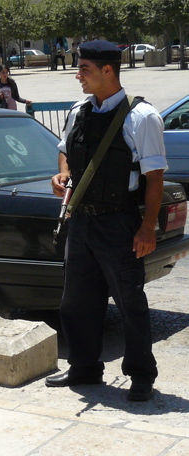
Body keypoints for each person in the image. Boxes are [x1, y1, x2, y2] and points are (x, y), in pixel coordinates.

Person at [45, 41, 167, 402]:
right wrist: (62, 175)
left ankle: (141, 375)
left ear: (107, 71)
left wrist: (147, 228)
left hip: (119, 222)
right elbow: (65, 149)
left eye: (83, 68)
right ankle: (84, 367)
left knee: (130, 301)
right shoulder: (79, 110)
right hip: (81, 221)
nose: (77, 74)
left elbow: (155, 177)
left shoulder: (142, 117)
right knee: (77, 301)